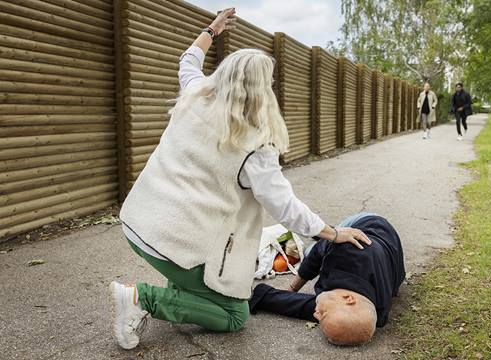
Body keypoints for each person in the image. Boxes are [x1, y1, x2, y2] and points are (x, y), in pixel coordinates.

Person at [108, 8, 371, 350]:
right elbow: (285, 207)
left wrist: (212, 30)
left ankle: (178, 292)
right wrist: (334, 233)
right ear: (263, 92)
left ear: (224, 74)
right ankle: (142, 298)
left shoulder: (195, 94)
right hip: (173, 247)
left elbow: (187, 61)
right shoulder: (254, 146)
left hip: (137, 225)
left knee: (211, 284)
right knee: (234, 314)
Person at [249, 213, 405, 346]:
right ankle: (326, 228)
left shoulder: (370, 314)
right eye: (322, 315)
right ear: (348, 298)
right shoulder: (347, 251)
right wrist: (292, 288)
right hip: (369, 225)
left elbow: (303, 307)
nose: (315, 315)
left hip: (387, 252)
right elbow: (315, 257)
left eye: (319, 318)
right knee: (314, 248)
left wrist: (262, 297)